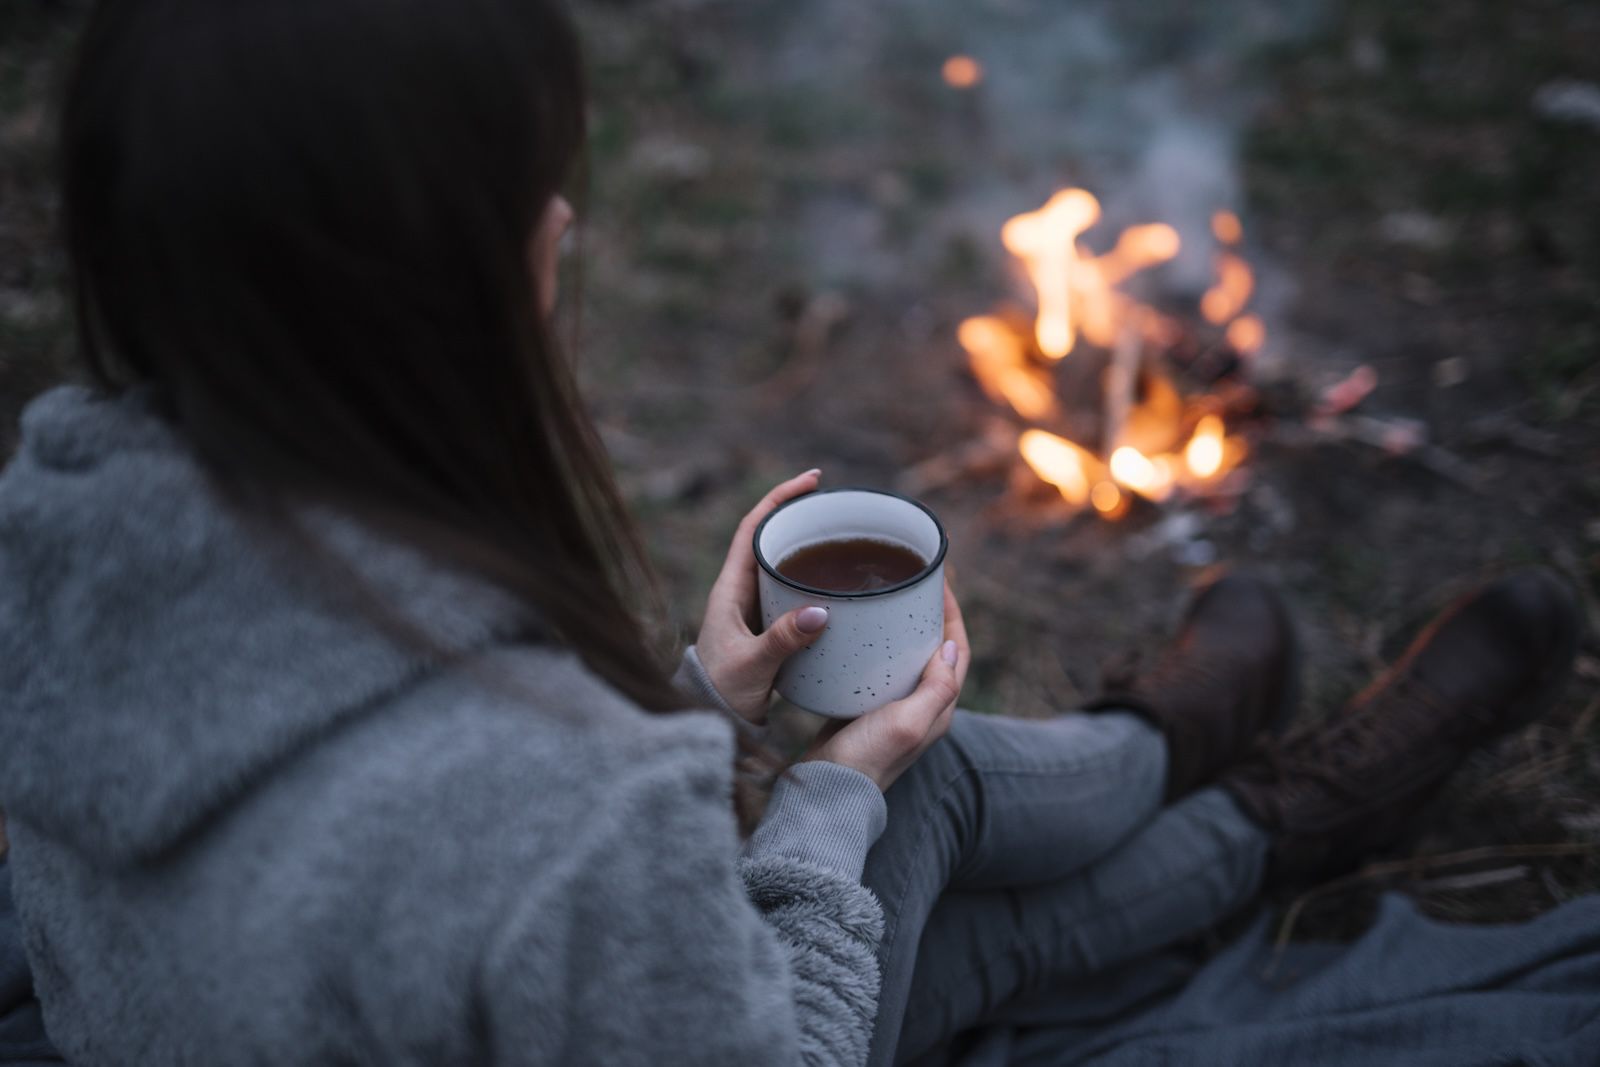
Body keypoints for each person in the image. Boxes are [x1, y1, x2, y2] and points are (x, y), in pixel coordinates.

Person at [0, 1, 1582, 1064]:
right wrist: (829, 793)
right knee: (930, 795)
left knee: (939, 844)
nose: (566, 222)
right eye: (539, 189)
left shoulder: (55, 557)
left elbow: (425, 842)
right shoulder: (560, 805)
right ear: (457, 269)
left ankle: (1192, 748)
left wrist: (697, 704)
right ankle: (1248, 778)